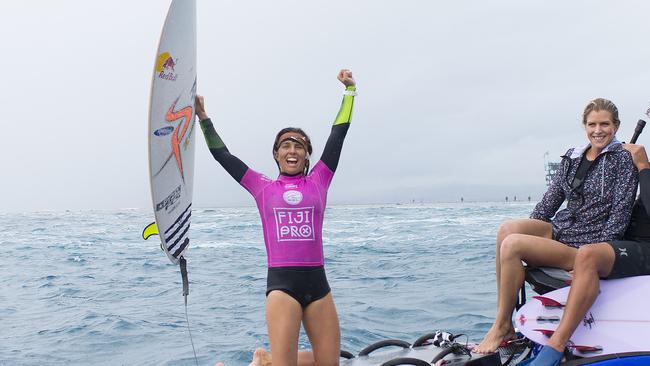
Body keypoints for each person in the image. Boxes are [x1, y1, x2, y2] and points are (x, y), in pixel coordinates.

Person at [198, 69, 356, 366]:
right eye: (286, 144)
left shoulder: (320, 180)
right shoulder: (263, 187)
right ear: (276, 154)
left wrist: (350, 91)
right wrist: (204, 119)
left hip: (318, 284)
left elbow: (339, 133)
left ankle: (266, 359)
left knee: (330, 364)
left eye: (299, 145)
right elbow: (224, 156)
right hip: (283, 286)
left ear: (307, 155)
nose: (292, 149)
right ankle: (270, 361)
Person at [475, 98, 638, 354]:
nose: (598, 130)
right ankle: (503, 319)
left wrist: (593, 258)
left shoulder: (623, 161)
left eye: (605, 124)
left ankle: (500, 326)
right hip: (563, 229)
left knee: (513, 245)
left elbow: (620, 214)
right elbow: (547, 206)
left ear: (616, 126)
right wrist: (534, 235)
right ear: (584, 126)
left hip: (587, 242)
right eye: (592, 124)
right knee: (508, 230)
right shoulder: (573, 157)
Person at [526, 143, 650, 365]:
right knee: (515, 236)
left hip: (645, 248)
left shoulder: (644, 163)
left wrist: (642, 166)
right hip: (629, 241)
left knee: (588, 255)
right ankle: (505, 328)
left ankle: (557, 344)